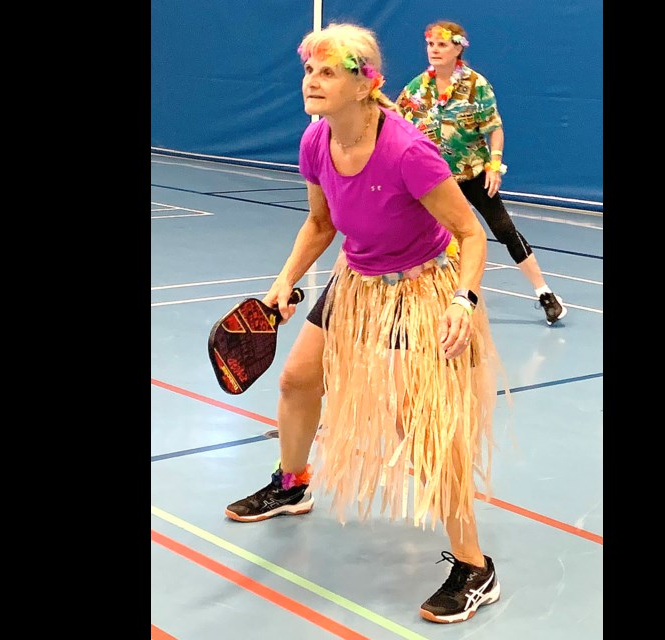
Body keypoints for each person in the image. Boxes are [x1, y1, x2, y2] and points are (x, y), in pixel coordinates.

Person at [224, 23, 504, 624]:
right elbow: (322, 224)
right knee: (298, 379)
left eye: (328, 72)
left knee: (422, 422)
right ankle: (293, 482)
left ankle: (475, 567)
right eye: (308, 70)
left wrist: (464, 300)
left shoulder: (405, 149)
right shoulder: (315, 141)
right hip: (355, 280)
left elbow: (469, 233)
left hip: (422, 285)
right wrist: (285, 278)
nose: (312, 82)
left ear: (363, 82)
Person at [396, 21, 567, 326]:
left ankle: (545, 293)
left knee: (504, 229)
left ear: (458, 48)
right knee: (428, 239)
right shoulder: (415, 88)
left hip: (472, 173)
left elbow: (494, 129)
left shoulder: (477, 85)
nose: (434, 50)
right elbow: (396, 123)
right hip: (434, 180)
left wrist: (494, 166)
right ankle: (437, 298)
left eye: (442, 45)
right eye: (431, 45)